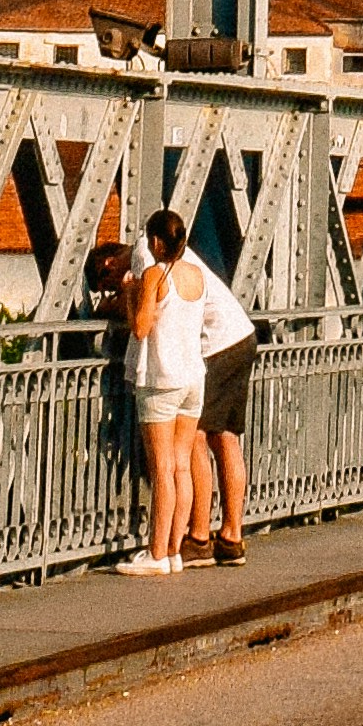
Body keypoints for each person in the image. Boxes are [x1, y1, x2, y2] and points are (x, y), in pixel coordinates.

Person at [118, 208, 209, 575]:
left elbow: (140, 328)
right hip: (193, 377)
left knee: (162, 468)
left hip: (161, 379)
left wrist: (130, 293)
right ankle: (174, 550)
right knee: (183, 466)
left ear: (156, 241)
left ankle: (156, 554)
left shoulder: (156, 273)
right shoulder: (196, 275)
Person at [193, 241, 260, 566]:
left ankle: (198, 537)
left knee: (195, 436)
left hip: (217, 345)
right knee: (226, 437)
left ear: (109, 263)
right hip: (242, 336)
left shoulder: (144, 254)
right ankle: (232, 535)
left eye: (106, 285)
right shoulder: (182, 254)